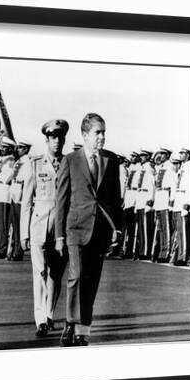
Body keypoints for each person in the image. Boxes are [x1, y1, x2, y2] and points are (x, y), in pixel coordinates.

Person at [55, 113, 122, 346]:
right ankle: (72, 322)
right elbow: (61, 200)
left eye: (103, 132)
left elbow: (115, 199)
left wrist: (118, 230)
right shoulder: (71, 160)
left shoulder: (111, 160)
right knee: (76, 276)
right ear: (85, 135)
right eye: (97, 132)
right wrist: (59, 235)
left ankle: (83, 328)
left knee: (91, 279)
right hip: (75, 229)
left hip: (100, 230)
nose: (102, 136)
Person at [20, 121, 69, 337]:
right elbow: (26, 201)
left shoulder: (69, 163)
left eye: (60, 137)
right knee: (40, 272)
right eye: (53, 137)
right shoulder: (35, 164)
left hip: (61, 228)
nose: (57, 141)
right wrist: (23, 233)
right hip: (39, 225)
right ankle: (39, 319)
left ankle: (49, 314)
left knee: (56, 274)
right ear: (47, 140)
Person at [0, 138, 16, 259]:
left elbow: (8, 177)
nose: (2, 150)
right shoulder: (3, 161)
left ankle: (2, 248)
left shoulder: (10, 161)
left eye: (5, 147)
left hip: (5, 193)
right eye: (2, 147)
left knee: (3, 223)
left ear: (11, 149)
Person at [8, 139, 32, 261]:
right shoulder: (19, 161)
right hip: (14, 191)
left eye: (21, 148)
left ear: (26, 149)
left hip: (21, 194)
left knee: (20, 224)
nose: (18, 150)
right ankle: (15, 248)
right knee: (15, 223)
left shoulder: (27, 162)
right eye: (18, 148)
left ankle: (19, 250)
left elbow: (26, 180)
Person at [151, 148, 176, 262]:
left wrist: (171, 200)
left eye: (163, 154)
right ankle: (160, 251)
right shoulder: (160, 167)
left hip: (165, 197)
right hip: (159, 199)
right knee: (160, 228)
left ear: (167, 155)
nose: (160, 155)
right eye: (160, 153)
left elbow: (172, 185)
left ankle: (165, 253)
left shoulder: (170, 167)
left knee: (166, 228)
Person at [170, 148, 190, 266]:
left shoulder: (189, 167)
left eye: (183, 153)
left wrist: (187, 202)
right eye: (180, 153)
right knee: (179, 231)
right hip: (178, 199)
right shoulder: (183, 167)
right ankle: (179, 254)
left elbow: (189, 186)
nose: (180, 155)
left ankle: (183, 256)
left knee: (184, 231)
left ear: (188, 155)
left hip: (184, 199)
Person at [133, 149, 155, 260]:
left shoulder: (149, 169)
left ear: (147, 157)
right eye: (140, 155)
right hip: (140, 198)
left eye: (143, 156)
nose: (141, 157)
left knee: (146, 228)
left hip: (145, 197)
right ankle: (141, 250)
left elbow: (151, 186)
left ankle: (145, 252)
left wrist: (149, 202)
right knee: (140, 227)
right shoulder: (142, 169)